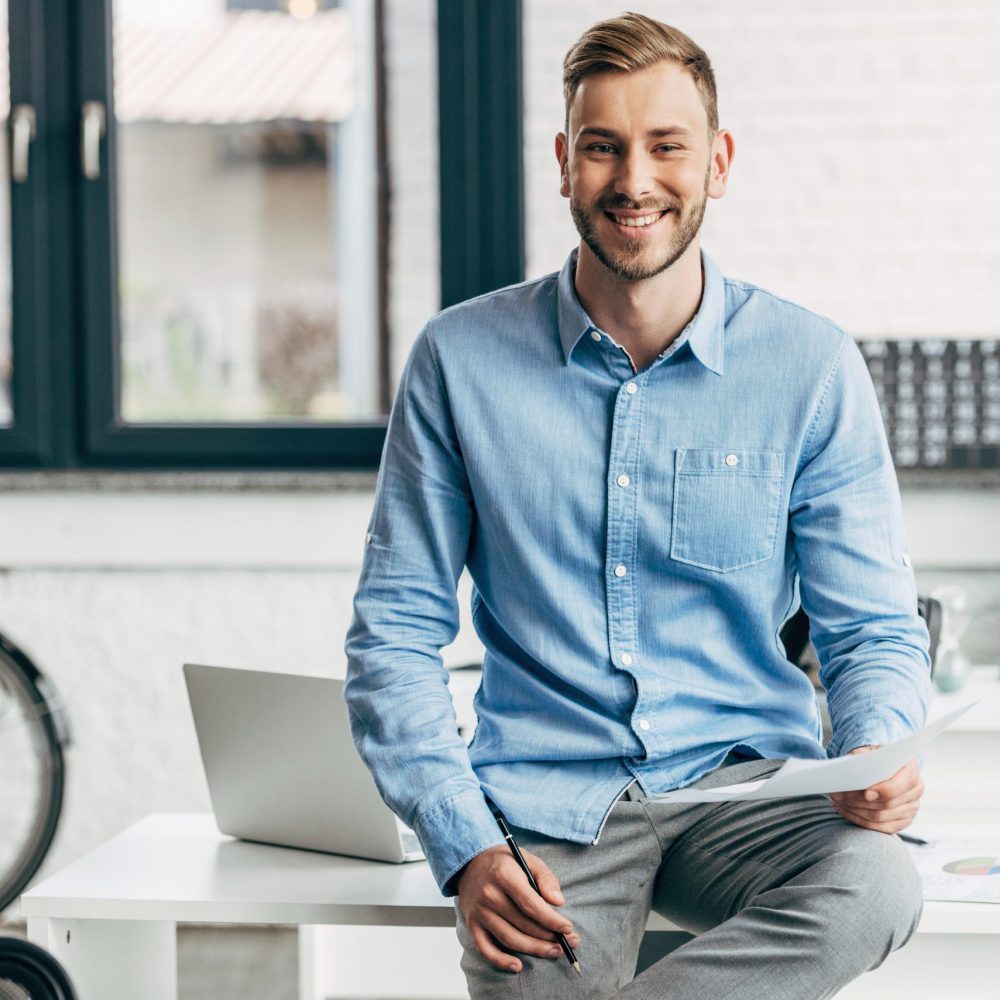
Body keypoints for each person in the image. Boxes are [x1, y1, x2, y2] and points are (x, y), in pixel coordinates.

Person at [344, 12, 931, 999]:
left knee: (875, 887)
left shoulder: (811, 367)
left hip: (750, 789)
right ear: (563, 161)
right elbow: (393, 631)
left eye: (666, 146)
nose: (634, 180)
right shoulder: (457, 361)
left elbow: (868, 624)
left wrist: (874, 746)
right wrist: (464, 844)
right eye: (604, 147)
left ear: (718, 162)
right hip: (543, 804)